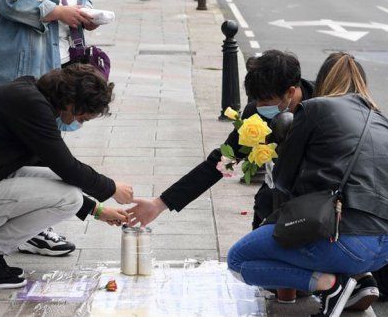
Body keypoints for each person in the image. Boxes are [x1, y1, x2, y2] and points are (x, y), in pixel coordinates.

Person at [226, 52, 388, 316]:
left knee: (239, 260)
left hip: (348, 238)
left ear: (322, 82)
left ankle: (331, 284)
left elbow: (283, 184)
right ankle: (356, 281)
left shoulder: (315, 108)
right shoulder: (383, 121)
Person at [0, 64, 134, 289]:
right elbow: (67, 167)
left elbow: (49, 167)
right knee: (69, 197)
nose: (75, 123)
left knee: (61, 187)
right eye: (81, 117)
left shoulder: (29, 94)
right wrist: (111, 188)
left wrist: (97, 210)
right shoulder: (31, 105)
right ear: (71, 103)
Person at [127, 50, 315, 230]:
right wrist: (160, 203)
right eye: (256, 100)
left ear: (290, 92)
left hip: (314, 207)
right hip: (272, 205)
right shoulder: (254, 115)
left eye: (265, 101)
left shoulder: (322, 108)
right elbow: (221, 163)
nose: (259, 107)